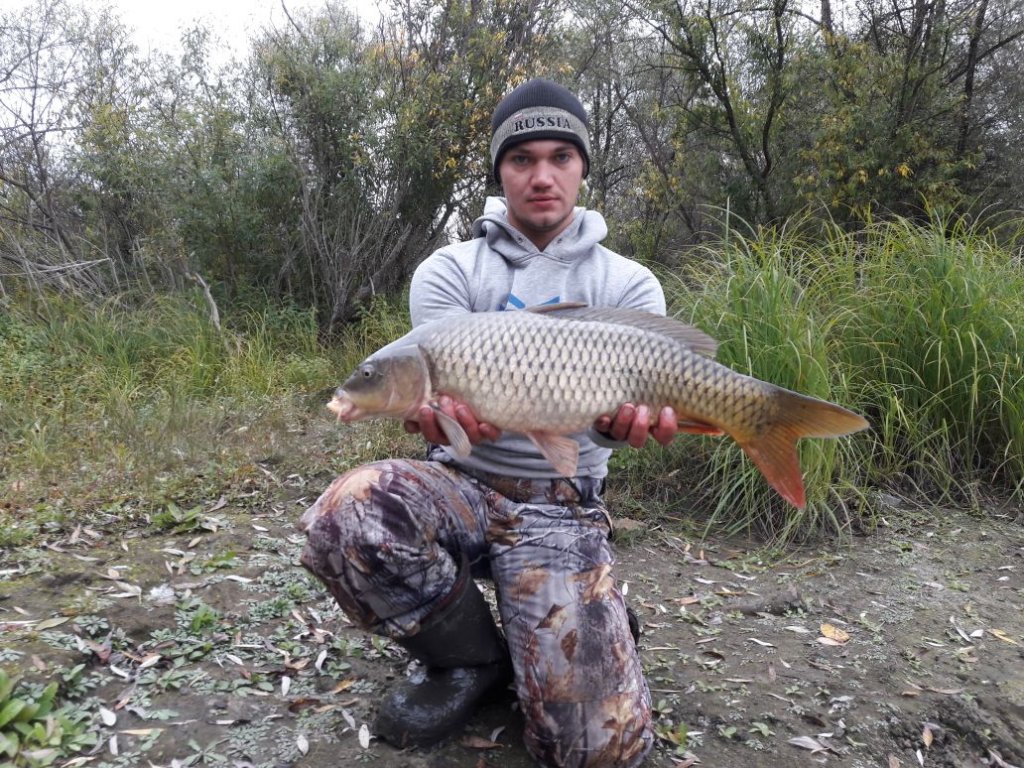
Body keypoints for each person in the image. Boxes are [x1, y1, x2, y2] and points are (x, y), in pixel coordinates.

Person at [299, 78, 680, 768]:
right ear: (500, 172)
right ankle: (470, 661)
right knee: (347, 512)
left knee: (598, 750)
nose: (541, 175)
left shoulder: (628, 285)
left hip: (565, 508)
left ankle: (590, 618)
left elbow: (597, 429)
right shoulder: (447, 272)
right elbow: (453, 425)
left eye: (560, 157)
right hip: (465, 489)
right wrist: (439, 425)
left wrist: (622, 427)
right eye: (522, 159)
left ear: (583, 168)